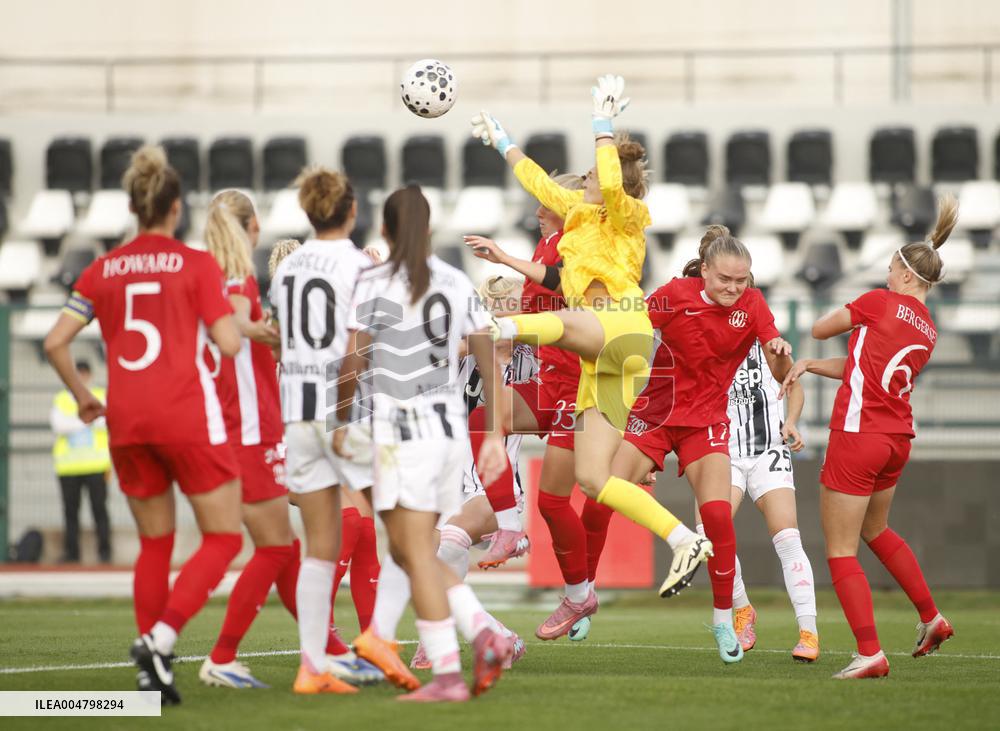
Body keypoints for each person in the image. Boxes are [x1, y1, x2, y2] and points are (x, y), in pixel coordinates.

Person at [472, 75, 704, 632]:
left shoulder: (626, 214)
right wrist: (504, 143)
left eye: (602, 176)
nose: (592, 182)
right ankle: (683, 538)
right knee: (594, 480)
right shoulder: (576, 211)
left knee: (549, 325)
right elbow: (534, 180)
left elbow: (607, 179)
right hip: (602, 359)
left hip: (619, 324)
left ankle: (494, 323)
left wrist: (602, 126)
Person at [43, 144, 244, 705]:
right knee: (224, 538)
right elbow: (228, 343)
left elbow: (56, 341)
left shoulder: (100, 270)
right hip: (185, 414)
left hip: (126, 419)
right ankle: (160, 638)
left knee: (155, 544)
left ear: (133, 208)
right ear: (175, 208)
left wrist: (84, 397)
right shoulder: (196, 264)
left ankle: (148, 674)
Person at [335, 185, 513, 702]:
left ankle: (459, 664)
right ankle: (388, 638)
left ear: (385, 231)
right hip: (449, 434)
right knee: (407, 546)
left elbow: (352, 363)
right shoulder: (457, 281)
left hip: (401, 432)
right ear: (430, 228)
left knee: (414, 550)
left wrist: (342, 419)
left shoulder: (373, 283)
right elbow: (489, 361)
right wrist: (496, 435)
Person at [780, 196, 958, 680]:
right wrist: (815, 368)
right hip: (896, 438)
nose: (884, 278)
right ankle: (931, 617)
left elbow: (819, 328)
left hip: (858, 436)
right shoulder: (930, 330)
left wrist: (850, 315)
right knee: (876, 530)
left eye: (888, 270)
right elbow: (866, 371)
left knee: (840, 549)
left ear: (904, 274)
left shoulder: (880, 302)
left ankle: (869, 652)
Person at [607, 227, 794, 663]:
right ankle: (580, 596)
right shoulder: (674, 293)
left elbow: (778, 361)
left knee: (715, 519)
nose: (733, 288)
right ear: (705, 270)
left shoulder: (753, 304)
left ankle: (723, 618)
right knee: (603, 494)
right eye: (725, 279)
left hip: (706, 422)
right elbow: (628, 334)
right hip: (654, 414)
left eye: (741, 280)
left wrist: (782, 350)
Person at [466, 173, 617, 640]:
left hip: (583, 387)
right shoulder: (547, 244)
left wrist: (504, 318)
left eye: (545, 203)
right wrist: (501, 321)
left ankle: (578, 593)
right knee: (484, 416)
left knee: (560, 501)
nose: (537, 210)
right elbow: (540, 314)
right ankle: (512, 528)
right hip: (549, 381)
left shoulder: (575, 246)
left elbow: (565, 306)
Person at [269, 166, 380, 694]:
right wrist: (342, 416)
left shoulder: (286, 270)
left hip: (296, 412)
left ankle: (312, 667)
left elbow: (279, 339)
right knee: (407, 528)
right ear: (352, 210)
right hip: (341, 414)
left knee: (319, 546)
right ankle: (402, 643)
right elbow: (354, 355)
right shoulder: (360, 266)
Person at [410, 275, 531, 669]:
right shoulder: (462, 353)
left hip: (496, 486)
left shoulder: (532, 358)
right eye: (506, 304)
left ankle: (452, 635)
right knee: (423, 561)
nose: (516, 310)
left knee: (451, 540)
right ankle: (494, 636)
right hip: (447, 480)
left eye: (520, 303)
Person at [711, 293, 819, 662]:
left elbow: (795, 385)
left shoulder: (769, 345)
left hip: (768, 450)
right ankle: (742, 608)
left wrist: (791, 421)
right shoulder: (706, 338)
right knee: (708, 534)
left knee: (788, 539)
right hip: (723, 451)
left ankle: (808, 632)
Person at [49, 359, 112, 564]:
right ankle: (72, 553)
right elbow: (59, 425)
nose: (82, 377)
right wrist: (89, 420)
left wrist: (77, 421)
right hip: (69, 467)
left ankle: (105, 552)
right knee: (70, 513)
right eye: (79, 373)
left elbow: (109, 420)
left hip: (96, 466)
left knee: (99, 510)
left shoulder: (101, 395)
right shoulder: (62, 399)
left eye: (85, 373)